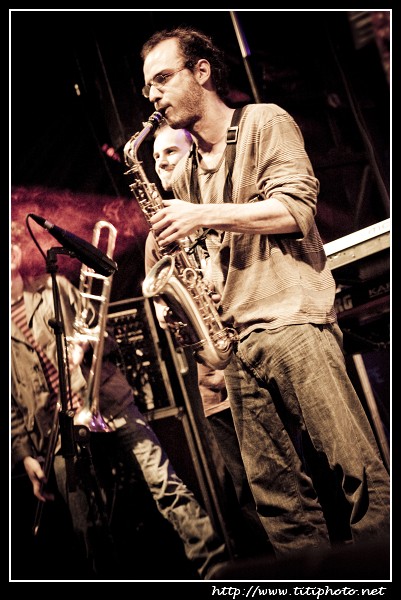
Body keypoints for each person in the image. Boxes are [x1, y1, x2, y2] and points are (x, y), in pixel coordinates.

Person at [139, 26, 390, 560]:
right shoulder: (185, 174)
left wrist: (201, 214)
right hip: (236, 345)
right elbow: (206, 257)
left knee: (361, 477)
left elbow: (295, 210)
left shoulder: (264, 122)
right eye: (148, 87)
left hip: (293, 322)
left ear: (202, 72)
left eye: (162, 79)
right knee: (280, 507)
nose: (153, 96)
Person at [10, 219, 228, 580]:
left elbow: (105, 337)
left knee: (165, 486)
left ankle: (218, 570)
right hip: (57, 433)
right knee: (87, 527)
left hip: (108, 403)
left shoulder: (54, 289)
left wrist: (85, 346)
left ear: (17, 252)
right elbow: (11, 406)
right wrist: (24, 454)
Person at [148, 121, 271, 558]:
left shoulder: (222, 202)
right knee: (251, 495)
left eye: (171, 152)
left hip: (260, 356)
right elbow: (160, 300)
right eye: (156, 156)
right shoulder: (157, 235)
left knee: (295, 477)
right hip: (214, 383)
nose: (161, 162)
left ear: (195, 156)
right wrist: (171, 313)